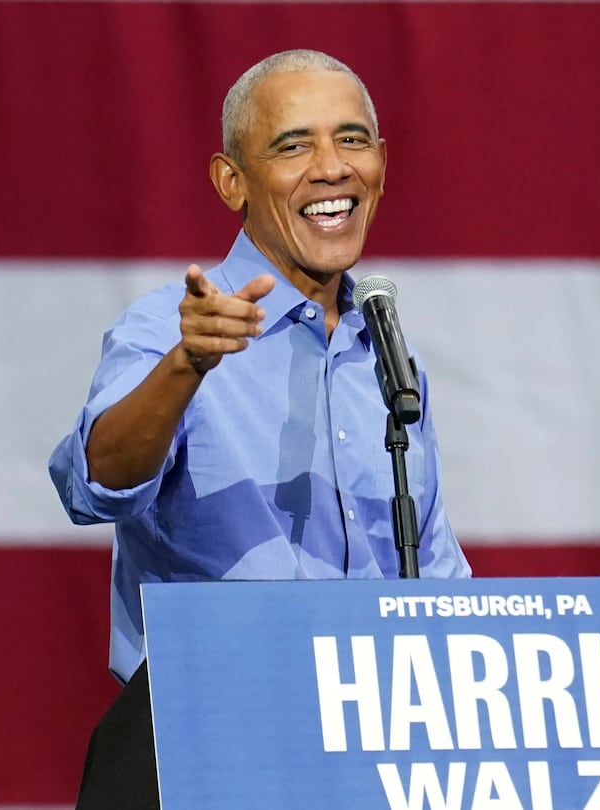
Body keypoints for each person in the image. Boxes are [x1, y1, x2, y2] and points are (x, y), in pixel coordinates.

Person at [48, 49, 471, 808]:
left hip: (373, 750)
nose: (331, 167)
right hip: (209, 739)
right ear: (230, 181)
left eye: (352, 139)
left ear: (382, 161)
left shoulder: (389, 353)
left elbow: (434, 574)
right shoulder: (169, 333)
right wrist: (188, 364)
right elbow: (95, 485)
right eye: (293, 145)